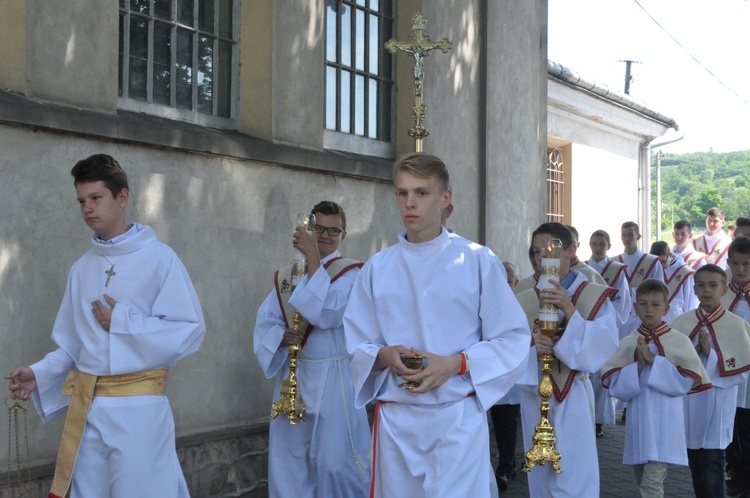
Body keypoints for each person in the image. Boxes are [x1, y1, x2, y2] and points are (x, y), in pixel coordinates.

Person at [5, 154, 206, 498]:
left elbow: (189, 330)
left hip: (140, 410)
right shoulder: (82, 268)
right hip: (90, 411)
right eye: (81, 201)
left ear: (122, 197)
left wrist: (123, 322)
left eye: (96, 198)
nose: (87, 208)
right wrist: (38, 374)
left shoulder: (160, 259)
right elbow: (73, 346)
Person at [343, 152, 531, 498]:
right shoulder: (377, 268)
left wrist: (455, 364)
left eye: (421, 192)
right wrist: (383, 354)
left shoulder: (476, 261)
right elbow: (357, 342)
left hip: (455, 421)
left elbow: (513, 339)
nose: (409, 203)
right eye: (402, 193)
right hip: (397, 425)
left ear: (445, 198)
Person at [253, 201, 371, 498]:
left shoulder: (353, 274)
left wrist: (314, 259)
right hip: (294, 376)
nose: (325, 235)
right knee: (289, 462)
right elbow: (265, 320)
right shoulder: (288, 278)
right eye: (318, 228)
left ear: (343, 235)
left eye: (334, 230)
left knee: (335, 462)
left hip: (334, 377)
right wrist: (279, 337)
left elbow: (328, 314)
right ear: (308, 228)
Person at [516, 222, 619, 498]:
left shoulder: (592, 294)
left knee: (574, 473)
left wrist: (570, 309)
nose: (542, 259)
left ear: (571, 250)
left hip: (572, 395)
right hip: (534, 395)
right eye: (537, 252)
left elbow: (603, 346)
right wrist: (529, 348)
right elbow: (503, 350)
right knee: (539, 476)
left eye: (550, 250)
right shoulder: (522, 299)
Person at [602, 279, 711, 498]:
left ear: (666, 308)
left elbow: (685, 382)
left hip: (665, 424)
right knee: (642, 480)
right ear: (635, 307)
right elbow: (616, 387)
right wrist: (638, 366)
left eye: (655, 304)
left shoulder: (678, 341)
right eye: (643, 304)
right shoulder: (629, 341)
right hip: (638, 424)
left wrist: (654, 360)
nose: (649, 310)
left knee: (651, 485)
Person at [672, 265, 750, 498]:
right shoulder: (682, 324)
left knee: (714, 461)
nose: (706, 290)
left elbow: (742, 369)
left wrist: (713, 356)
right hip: (691, 403)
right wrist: (696, 352)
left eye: (713, 285)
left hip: (718, 401)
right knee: (695, 460)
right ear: (694, 289)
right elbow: (672, 363)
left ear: (724, 290)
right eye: (701, 285)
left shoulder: (735, 325)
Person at [586, 228, 632, 437]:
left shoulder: (617, 271)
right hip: (587, 327)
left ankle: (599, 421)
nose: (597, 248)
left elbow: (623, 300)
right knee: (587, 373)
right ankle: (586, 416)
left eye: (601, 244)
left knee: (602, 374)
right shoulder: (583, 269)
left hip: (606, 327)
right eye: (594, 244)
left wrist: (609, 321)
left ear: (609, 247)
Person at [490, 261, 523, 493]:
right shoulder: (486, 305)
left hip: (511, 375)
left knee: (506, 423)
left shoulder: (523, 305)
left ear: (516, 283)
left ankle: (506, 465)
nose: (505, 285)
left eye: (509, 281)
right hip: (489, 372)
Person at [721, 236, 750, 497]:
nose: (740, 269)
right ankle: (734, 471)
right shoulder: (722, 291)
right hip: (730, 367)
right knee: (731, 421)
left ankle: (745, 476)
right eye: (736, 263)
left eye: (747, 264)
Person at [616, 221, 664, 339]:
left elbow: (660, 292)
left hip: (645, 317)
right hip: (621, 318)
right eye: (624, 235)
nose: (627, 238)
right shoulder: (615, 263)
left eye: (630, 235)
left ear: (638, 236)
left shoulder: (652, 262)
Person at [649, 241, 698, 323]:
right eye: (655, 262)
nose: (658, 266)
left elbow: (689, 303)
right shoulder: (652, 267)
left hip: (676, 319)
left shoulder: (684, 272)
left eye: (662, 262)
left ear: (670, 255)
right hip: (653, 318)